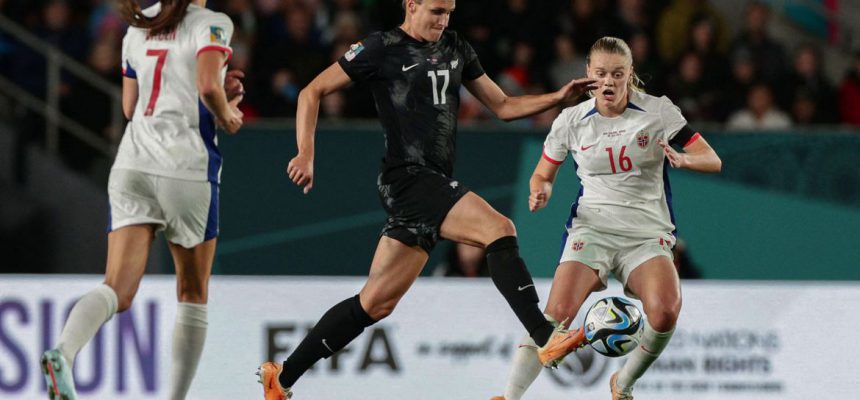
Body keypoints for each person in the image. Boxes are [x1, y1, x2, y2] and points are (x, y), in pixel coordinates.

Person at [256, 1, 598, 398]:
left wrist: (558, 96)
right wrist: (305, 152)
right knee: (499, 229)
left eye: (449, 11)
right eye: (436, 10)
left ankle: (280, 379)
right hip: (407, 179)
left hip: (431, 182)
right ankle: (544, 336)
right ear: (411, 4)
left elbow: (503, 106)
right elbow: (311, 92)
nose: (444, 20)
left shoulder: (456, 47)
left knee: (375, 303)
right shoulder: (381, 47)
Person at [491, 36, 721, 400]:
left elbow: (712, 158)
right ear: (588, 75)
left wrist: (685, 159)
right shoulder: (571, 120)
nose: (609, 81)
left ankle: (623, 384)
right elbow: (542, 175)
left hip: (646, 234)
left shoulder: (658, 112)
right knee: (556, 315)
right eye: (601, 74)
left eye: (618, 73)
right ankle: (509, 396)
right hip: (592, 228)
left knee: (665, 312)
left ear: (630, 74)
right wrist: (542, 191)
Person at [39, 1, 243, 399]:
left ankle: (64, 350)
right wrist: (228, 113)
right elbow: (204, 85)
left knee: (117, 287)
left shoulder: (136, 29)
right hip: (185, 166)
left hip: (132, 163)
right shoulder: (213, 23)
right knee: (193, 292)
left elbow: (130, 107)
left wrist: (215, 90)